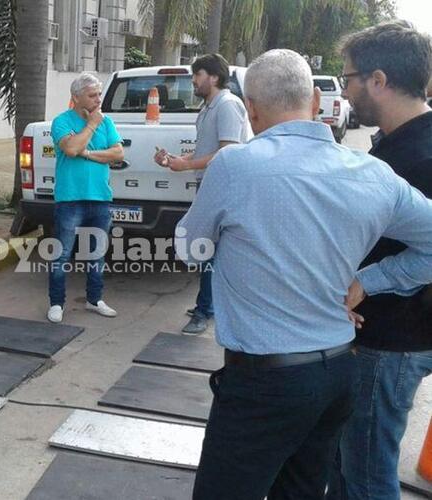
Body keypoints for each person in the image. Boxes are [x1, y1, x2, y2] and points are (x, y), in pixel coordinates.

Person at [174, 49, 432, 499]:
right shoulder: (375, 174)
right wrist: (368, 281)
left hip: (263, 382)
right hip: (336, 374)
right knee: (303, 490)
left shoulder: (235, 166)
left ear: (250, 108)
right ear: (315, 99)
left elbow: (191, 251)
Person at [326, 21, 432, 500]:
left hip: (394, 340)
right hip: (385, 335)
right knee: (350, 467)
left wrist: (366, 280)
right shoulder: (397, 143)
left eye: (348, 78)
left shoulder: (420, 156)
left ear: (379, 80)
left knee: (367, 475)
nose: (345, 91)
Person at [154, 54, 251, 334]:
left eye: (198, 75)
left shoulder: (228, 106)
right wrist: (177, 159)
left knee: (209, 250)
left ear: (215, 77)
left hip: (224, 188)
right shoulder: (209, 106)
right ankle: (207, 305)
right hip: (209, 185)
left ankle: (205, 311)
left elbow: (226, 151)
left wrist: (187, 165)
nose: (193, 81)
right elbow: (205, 149)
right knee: (206, 248)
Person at [47, 72, 124, 323]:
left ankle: (95, 299)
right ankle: (56, 303)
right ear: (76, 97)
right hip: (70, 198)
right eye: (92, 95)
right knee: (62, 253)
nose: (98, 100)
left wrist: (87, 153)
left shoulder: (107, 122)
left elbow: (118, 154)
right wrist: (91, 125)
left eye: (99, 94)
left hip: (100, 198)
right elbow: (69, 149)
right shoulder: (62, 121)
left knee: (97, 253)